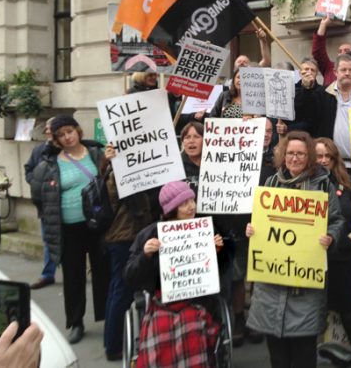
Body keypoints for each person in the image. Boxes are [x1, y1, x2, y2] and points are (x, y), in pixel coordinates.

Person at [246, 131, 344, 368]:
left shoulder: (322, 184)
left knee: (303, 357)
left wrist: (330, 237)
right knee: (278, 358)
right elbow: (260, 221)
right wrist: (252, 229)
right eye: (290, 153)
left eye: (300, 153)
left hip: (305, 289)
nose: (295, 158)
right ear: (283, 155)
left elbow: (337, 220)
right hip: (270, 288)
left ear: (308, 156)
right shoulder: (270, 183)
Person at [123, 181, 228, 367]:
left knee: (192, 327)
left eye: (192, 200)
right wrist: (145, 255)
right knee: (161, 329)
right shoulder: (150, 234)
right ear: (172, 209)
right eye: (184, 203)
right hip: (161, 301)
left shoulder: (204, 229)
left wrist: (217, 251)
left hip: (197, 300)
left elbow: (220, 273)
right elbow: (130, 276)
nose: (192, 207)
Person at [29, 115, 109, 345]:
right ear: (56, 139)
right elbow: (39, 194)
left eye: (70, 131)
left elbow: (109, 181)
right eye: (61, 134)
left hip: (96, 225)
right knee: (73, 275)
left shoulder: (96, 153)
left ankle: (106, 317)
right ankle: (76, 322)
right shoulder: (50, 164)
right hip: (68, 228)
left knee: (102, 270)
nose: (67, 137)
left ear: (78, 131)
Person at [102, 143, 153, 361]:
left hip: (135, 232)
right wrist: (112, 162)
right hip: (123, 235)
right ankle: (113, 344)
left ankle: (115, 339)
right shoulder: (114, 171)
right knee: (121, 286)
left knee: (121, 287)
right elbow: (113, 198)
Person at [315, 137, 351, 365]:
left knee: (348, 308)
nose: (323, 161)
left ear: (335, 159)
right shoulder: (304, 185)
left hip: (344, 257)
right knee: (320, 308)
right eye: (319, 156)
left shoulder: (350, 184)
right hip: (315, 258)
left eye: (328, 156)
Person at [303, 54, 351, 170]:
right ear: (335, 72)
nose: (347, 73)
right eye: (343, 70)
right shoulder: (322, 94)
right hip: (330, 165)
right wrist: (306, 90)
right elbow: (308, 120)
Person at [24, 117, 57, 290]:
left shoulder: (67, 151)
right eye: (48, 129)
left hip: (65, 205)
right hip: (46, 205)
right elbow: (29, 170)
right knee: (48, 240)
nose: (49, 132)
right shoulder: (38, 151)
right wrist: (38, 183)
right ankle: (48, 274)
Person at [314, 14, 351, 86]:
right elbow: (318, 52)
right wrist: (323, 24)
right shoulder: (329, 68)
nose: (342, 53)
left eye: (346, 50)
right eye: (340, 51)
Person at [181, 121, 204, 189]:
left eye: (196, 137)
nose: (191, 141)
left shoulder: (216, 165)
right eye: (187, 137)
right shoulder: (176, 166)